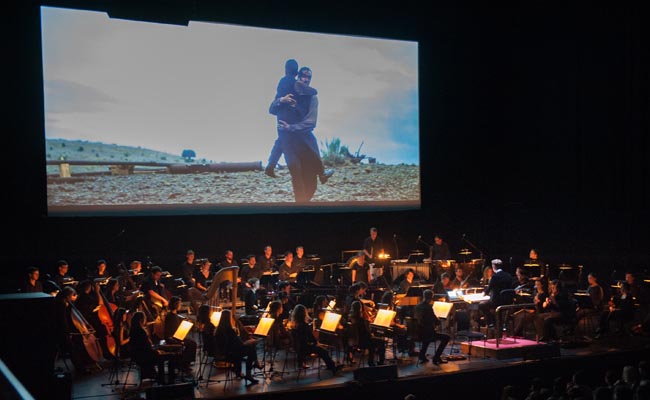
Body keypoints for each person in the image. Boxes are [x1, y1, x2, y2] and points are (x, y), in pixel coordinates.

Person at [269, 66, 331, 202]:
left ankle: (320, 176)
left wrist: (291, 127)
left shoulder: (312, 97)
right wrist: (281, 100)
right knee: (296, 175)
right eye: (303, 76)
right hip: (289, 143)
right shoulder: (287, 93)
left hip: (305, 143)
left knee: (311, 184)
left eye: (308, 77)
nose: (305, 79)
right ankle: (300, 208)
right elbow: (272, 109)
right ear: (297, 77)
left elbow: (310, 122)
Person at [289, 304, 340, 375]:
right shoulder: (304, 325)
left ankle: (301, 363)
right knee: (324, 351)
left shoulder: (294, 324)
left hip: (298, 348)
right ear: (304, 314)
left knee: (321, 349)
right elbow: (311, 339)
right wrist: (317, 343)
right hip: (305, 348)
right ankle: (332, 367)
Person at [214, 309, 260, 384]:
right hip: (231, 354)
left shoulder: (218, 330)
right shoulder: (230, 330)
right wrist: (250, 342)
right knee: (251, 348)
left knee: (247, 348)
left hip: (224, 352)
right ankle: (249, 373)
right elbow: (241, 344)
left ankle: (240, 371)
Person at [412, 289, 450, 364]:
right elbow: (436, 321)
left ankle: (422, 355)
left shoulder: (417, 306)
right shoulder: (428, 307)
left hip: (417, 333)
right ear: (431, 297)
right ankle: (436, 357)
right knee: (446, 337)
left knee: (427, 336)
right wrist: (439, 320)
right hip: (427, 333)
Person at [163, 296, 196, 373]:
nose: (180, 305)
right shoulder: (170, 316)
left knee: (191, 343)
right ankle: (183, 364)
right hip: (172, 338)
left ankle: (184, 363)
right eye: (179, 304)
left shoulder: (173, 315)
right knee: (191, 344)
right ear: (176, 305)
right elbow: (171, 331)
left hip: (176, 337)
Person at [128, 310, 162, 380]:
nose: (145, 320)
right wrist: (156, 349)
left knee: (158, 352)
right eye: (145, 318)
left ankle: (154, 374)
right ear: (141, 320)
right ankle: (160, 377)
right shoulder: (141, 331)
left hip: (136, 355)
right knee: (161, 356)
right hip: (144, 356)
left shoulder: (133, 330)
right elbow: (146, 346)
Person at [480, 259, 513, 327]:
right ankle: (496, 322)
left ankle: (492, 322)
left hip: (497, 302)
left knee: (482, 304)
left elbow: (489, 289)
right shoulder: (508, 275)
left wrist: (484, 293)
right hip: (508, 301)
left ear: (493, 266)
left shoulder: (494, 277)